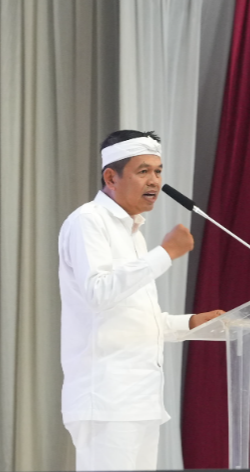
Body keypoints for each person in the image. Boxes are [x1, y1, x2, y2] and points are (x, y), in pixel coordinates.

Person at [58, 130, 224, 471]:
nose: (155, 181)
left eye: (158, 171)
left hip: (141, 400)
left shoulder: (132, 232)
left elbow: (134, 319)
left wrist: (191, 323)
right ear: (111, 178)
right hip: (106, 400)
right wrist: (165, 253)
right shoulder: (89, 221)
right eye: (143, 171)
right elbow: (98, 293)